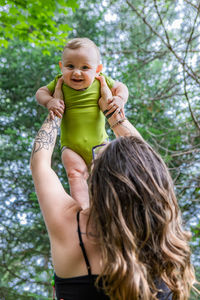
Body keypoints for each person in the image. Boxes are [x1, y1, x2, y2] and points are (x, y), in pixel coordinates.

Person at [30, 76, 196, 300]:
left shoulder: (73, 229)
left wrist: (57, 111)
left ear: (99, 182)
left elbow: (40, 163)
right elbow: (146, 166)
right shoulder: (165, 240)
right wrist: (112, 114)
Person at [35, 37, 129, 209]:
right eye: (70, 66)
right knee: (74, 174)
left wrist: (120, 99)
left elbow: (121, 87)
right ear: (61, 66)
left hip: (100, 144)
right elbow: (40, 92)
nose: (77, 73)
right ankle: (84, 211)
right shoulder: (59, 82)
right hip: (71, 146)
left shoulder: (101, 80)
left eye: (85, 67)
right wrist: (49, 102)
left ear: (97, 70)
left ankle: (108, 208)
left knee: (106, 176)